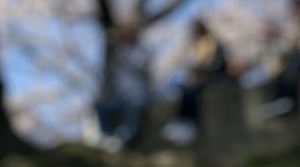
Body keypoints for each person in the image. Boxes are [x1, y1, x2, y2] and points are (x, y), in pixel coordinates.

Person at [162, 18, 229, 144]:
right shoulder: (198, 44)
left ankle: (189, 124)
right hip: (202, 77)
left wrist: (202, 71)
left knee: (190, 89)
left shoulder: (212, 42)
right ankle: (181, 121)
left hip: (216, 77)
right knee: (183, 87)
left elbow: (216, 63)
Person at [94, 23, 151, 151]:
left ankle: (121, 139)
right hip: (118, 96)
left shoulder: (140, 52)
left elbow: (142, 69)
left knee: (133, 113)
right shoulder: (116, 53)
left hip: (136, 95)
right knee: (101, 106)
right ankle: (107, 136)